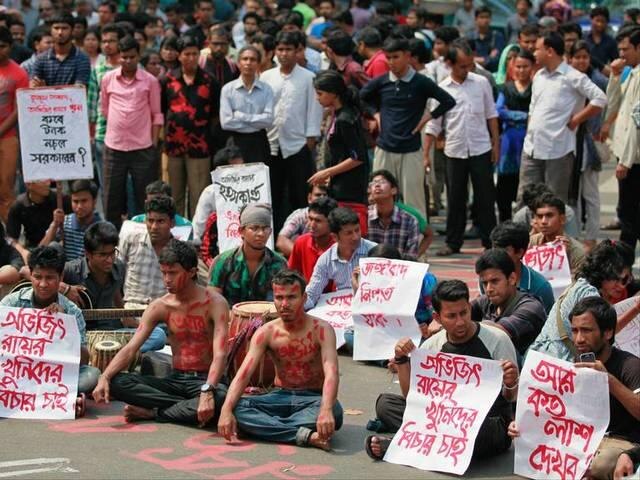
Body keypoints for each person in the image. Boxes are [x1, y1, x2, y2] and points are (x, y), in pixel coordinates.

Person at [366, 280, 518, 457]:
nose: (460, 322)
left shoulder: (497, 340)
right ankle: (434, 442)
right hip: (442, 417)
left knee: (482, 432)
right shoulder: (432, 346)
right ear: (437, 318)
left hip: (485, 422)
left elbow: (511, 399)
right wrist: (401, 360)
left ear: (470, 307)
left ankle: (400, 445)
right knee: (386, 405)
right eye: (452, 316)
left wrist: (510, 382)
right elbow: (413, 398)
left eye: (464, 313)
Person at [92, 240, 230, 426]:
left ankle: (156, 412)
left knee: (221, 396)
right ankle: (188, 409)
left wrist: (207, 391)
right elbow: (132, 347)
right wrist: (105, 377)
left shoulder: (215, 303)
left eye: (173, 273)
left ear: (191, 272)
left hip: (206, 380)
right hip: (175, 380)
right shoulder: (160, 306)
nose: (167, 279)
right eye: (164, 272)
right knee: (118, 382)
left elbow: (220, 354)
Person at [509, 296, 639, 480]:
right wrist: (522, 423)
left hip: (621, 442)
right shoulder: (572, 365)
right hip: (583, 441)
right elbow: (555, 412)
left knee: (602, 464)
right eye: (575, 330)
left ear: (608, 333)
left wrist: (608, 380)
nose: (578, 339)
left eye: (586, 331)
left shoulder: (630, 366)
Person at [218, 270, 342, 450]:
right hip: (279, 397)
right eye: (279, 297)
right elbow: (243, 374)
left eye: (291, 297)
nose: (284, 304)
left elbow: (331, 372)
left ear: (304, 297)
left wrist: (325, 410)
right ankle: (304, 435)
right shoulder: (266, 332)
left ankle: (267, 426)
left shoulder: (322, 329)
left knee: (335, 411)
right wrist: (226, 410)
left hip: (313, 399)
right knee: (236, 408)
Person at [361, 36, 456, 220]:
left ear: (407, 56)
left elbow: (448, 101)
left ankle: (419, 242)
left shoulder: (421, 82)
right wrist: (375, 115)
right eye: (388, 57)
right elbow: (361, 97)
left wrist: (427, 118)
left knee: (414, 202)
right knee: (377, 198)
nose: (391, 62)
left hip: (411, 150)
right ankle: (378, 244)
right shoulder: (382, 82)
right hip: (384, 147)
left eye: (395, 57)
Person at [0, 246, 100, 417]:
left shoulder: (71, 311)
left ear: (61, 278)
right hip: (16, 374)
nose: (43, 284)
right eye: (38, 277)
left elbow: (83, 360)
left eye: (50, 278)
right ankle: (65, 400)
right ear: (30, 274)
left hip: (54, 377)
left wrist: (64, 327)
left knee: (92, 375)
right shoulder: (12, 303)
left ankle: (53, 398)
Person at [424, 40, 499, 255]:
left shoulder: (481, 83)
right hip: (454, 150)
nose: (466, 70)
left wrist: (496, 145)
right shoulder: (441, 88)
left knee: (485, 197)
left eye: (469, 65)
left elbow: (491, 115)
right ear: (450, 64)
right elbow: (433, 123)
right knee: (455, 198)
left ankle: (490, 242)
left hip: (480, 147)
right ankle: (452, 242)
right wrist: (426, 154)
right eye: (462, 66)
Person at [518, 32, 607, 204]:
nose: (533, 52)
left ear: (550, 51)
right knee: (525, 197)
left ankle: (552, 232)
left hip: (558, 149)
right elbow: (533, 107)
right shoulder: (538, 76)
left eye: (537, 49)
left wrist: (577, 119)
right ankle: (522, 232)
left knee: (554, 200)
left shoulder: (573, 76)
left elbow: (600, 99)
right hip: (531, 148)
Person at [61, 221, 166, 352]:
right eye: (103, 255)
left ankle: (112, 354)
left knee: (158, 334)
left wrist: (125, 315)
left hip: (112, 332)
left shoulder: (119, 267)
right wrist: (65, 288)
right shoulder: (72, 270)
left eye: (112, 253)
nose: (110, 260)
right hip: (81, 336)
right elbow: (28, 272)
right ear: (88, 254)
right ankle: (116, 354)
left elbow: (115, 290)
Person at [261, 31, 323, 233]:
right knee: (273, 193)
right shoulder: (266, 76)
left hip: (298, 144)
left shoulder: (308, 78)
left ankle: (301, 236)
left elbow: (314, 110)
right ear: (274, 52)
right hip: (271, 143)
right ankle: (276, 235)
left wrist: (311, 139)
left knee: (299, 193)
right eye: (280, 49)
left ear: (298, 51)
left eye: (288, 49)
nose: (284, 54)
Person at [101, 35, 163, 230]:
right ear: (118, 56)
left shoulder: (150, 81)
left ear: (139, 56)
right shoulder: (108, 79)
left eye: (132, 57)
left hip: (142, 147)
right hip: (114, 146)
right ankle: (111, 237)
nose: (127, 61)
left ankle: (143, 235)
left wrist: (153, 143)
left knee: (144, 197)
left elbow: (157, 114)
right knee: (112, 197)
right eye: (124, 57)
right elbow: (105, 109)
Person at [528, 240, 627, 361]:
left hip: (540, 357)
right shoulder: (589, 293)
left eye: (624, 280)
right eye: (617, 279)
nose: (620, 286)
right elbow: (605, 333)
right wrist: (636, 308)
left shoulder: (579, 285)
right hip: (557, 361)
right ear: (604, 274)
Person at [162, 35, 220, 218]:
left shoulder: (210, 81)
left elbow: (215, 115)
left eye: (195, 54)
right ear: (179, 56)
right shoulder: (167, 81)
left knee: (199, 197)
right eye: (187, 54)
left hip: (200, 147)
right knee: (174, 195)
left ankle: (197, 240)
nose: (191, 58)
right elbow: (162, 111)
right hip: (173, 147)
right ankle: (175, 236)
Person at [309, 70, 369, 233]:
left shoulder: (345, 119)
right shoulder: (338, 114)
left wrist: (327, 172)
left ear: (333, 94)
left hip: (349, 188)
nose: (317, 98)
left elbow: (357, 157)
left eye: (320, 93)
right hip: (339, 185)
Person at [568, 40, 608, 250]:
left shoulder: (598, 81)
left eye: (585, 57)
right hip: (568, 142)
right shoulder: (566, 79)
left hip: (590, 143)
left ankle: (591, 237)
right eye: (577, 57)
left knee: (590, 193)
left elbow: (607, 107)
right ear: (570, 59)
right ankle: (574, 236)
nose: (581, 61)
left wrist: (602, 129)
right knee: (572, 193)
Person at [603, 27, 640, 251]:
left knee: (629, 212)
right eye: (619, 49)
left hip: (634, 157)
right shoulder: (631, 72)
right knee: (630, 210)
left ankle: (623, 259)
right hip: (627, 153)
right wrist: (615, 76)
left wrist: (625, 160)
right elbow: (614, 103)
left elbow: (637, 122)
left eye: (626, 49)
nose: (621, 54)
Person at [209, 203, 286, 306]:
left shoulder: (279, 264)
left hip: (268, 319)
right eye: (254, 228)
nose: (261, 234)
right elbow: (213, 302)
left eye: (265, 228)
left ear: (270, 231)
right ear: (241, 231)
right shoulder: (223, 262)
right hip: (230, 319)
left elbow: (284, 300)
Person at [472, 248, 546, 356]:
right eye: (485, 283)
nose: (489, 289)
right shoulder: (487, 300)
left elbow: (497, 332)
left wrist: (459, 326)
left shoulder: (530, 307)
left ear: (512, 278)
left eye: (495, 281)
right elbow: (462, 310)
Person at [304, 207, 376, 309]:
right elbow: (311, 295)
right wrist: (295, 305)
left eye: (357, 230)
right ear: (335, 237)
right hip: (341, 313)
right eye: (349, 233)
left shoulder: (374, 252)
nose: (355, 237)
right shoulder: (326, 260)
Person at [495, 49, 534, 222]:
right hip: (508, 143)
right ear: (512, 67)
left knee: (527, 183)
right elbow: (499, 111)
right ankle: (504, 221)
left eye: (525, 66)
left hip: (530, 140)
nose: (521, 70)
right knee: (505, 184)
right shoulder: (505, 89)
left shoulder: (536, 88)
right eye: (518, 66)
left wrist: (513, 115)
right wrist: (525, 116)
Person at [219, 45, 274, 165]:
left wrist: (240, 116)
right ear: (238, 63)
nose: (248, 63)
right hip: (235, 142)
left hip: (259, 141)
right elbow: (226, 123)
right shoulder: (228, 89)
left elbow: (268, 120)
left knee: (259, 180)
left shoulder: (267, 90)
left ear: (258, 64)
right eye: (245, 59)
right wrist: (256, 122)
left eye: (253, 59)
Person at [119, 196, 175, 309]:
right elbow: (115, 275)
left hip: (163, 312)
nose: (154, 227)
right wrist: (122, 311)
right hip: (130, 309)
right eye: (150, 221)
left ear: (172, 223)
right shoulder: (131, 239)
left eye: (160, 221)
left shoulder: (178, 251)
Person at [87, 22, 124, 193]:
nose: (107, 45)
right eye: (104, 41)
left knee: (129, 184)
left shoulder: (131, 67)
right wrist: (91, 133)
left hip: (129, 134)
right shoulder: (97, 69)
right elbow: (92, 103)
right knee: (106, 184)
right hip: (103, 132)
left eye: (112, 41)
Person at [489, 221, 555, 313]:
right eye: (494, 248)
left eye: (504, 251)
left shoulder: (540, 287)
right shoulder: (486, 278)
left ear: (519, 252)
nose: (497, 256)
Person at [0, 26, 28, 224]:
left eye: (2, 46)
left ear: (10, 47)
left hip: (7, 137)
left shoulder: (19, 73)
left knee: (6, 189)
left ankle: (8, 237)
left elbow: (19, 110)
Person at [6, 181, 71, 263]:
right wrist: (23, 252)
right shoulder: (19, 205)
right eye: (42, 180)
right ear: (29, 184)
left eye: (48, 179)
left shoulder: (61, 200)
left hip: (57, 247)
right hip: (31, 249)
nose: (48, 183)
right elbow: (11, 238)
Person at [367, 170, 419, 260]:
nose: (377, 185)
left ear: (394, 190)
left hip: (399, 271)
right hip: (369, 271)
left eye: (382, 182)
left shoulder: (410, 220)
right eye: (374, 183)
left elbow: (411, 257)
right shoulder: (364, 217)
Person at [528, 193, 585, 276]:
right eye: (540, 216)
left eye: (549, 215)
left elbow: (578, 285)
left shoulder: (578, 252)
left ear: (562, 219)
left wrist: (564, 259)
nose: (543, 221)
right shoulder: (530, 243)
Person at [31, 13, 90, 87]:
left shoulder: (82, 59)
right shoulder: (41, 59)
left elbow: (78, 91)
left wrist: (45, 89)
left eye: (64, 28)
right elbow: (33, 88)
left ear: (72, 30)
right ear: (51, 31)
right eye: (56, 28)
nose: (60, 32)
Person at [288, 196, 337, 283]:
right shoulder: (301, 242)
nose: (312, 225)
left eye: (318, 221)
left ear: (331, 222)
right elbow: (292, 276)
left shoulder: (340, 246)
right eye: (310, 219)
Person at [51, 180, 102, 262]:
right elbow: (42, 250)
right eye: (75, 201)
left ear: (94, 201)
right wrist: (55, 225)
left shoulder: (101, 227)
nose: (79, 206)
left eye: (84, 201)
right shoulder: (65, 222)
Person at [276, 183, 328, 257]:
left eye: (325, 195)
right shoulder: (299, 216)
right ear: (309, 198)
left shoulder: (334, 216)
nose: (322, 199)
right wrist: (307, 257)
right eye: (318, 195)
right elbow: (281, 241)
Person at [466, 6, 505, 73]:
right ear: (476, 19)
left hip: (492, 73)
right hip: (473, 73)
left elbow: (497, 59)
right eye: (482, 17)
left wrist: (476, 59)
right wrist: (488, 58)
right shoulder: (469, 37)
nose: (485, 20)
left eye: (487, 17)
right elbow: (466, 58)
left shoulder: (497, 36)